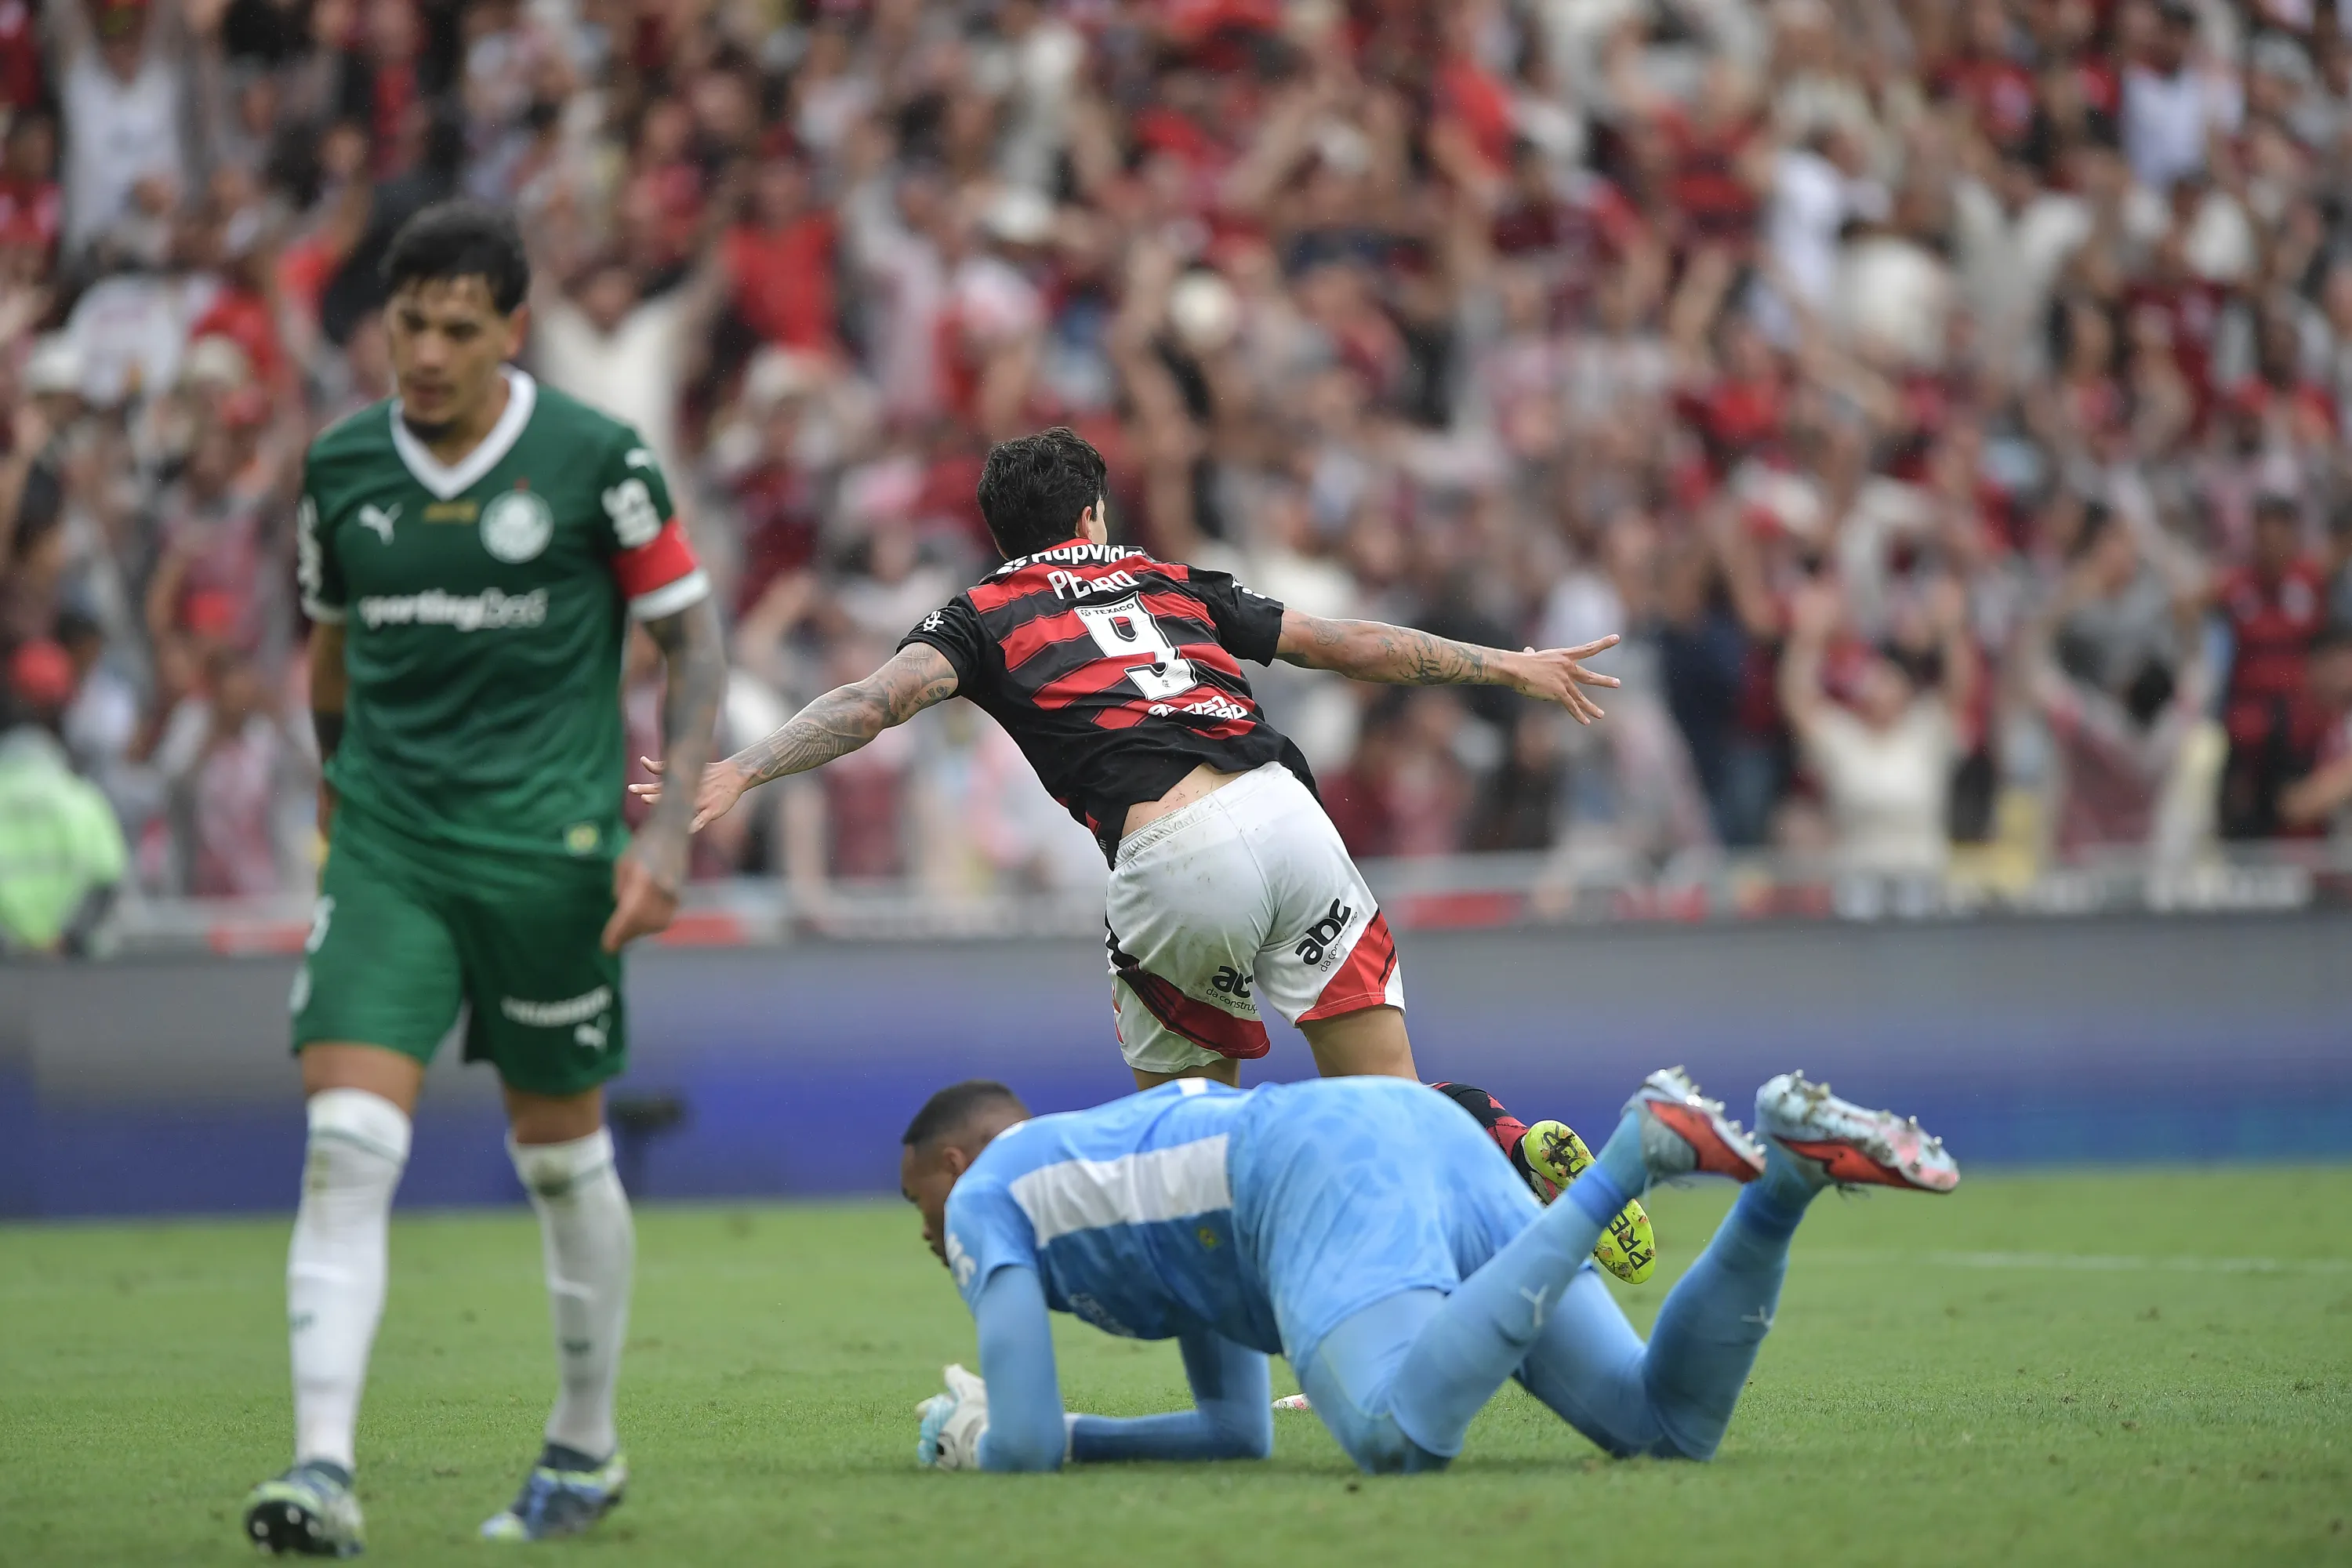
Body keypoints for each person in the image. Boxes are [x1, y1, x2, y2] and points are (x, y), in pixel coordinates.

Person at [635, 424, 1652, 1281]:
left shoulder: (979, 615)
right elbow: (1348, 643)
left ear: (1005, 537)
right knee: (1387, 1112)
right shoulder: (1168, 581)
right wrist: (1509, 666)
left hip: (1176, 857)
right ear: (1091, 519)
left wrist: (742, 771)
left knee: (1197, 1153)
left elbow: (871, 704)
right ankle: (1495, 1139)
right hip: (1292, 819)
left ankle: (1263, 1374)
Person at [241, 201, 725, 1556]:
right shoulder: (340, 470)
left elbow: (694, 646)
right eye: (410, 324)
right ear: (385, 324)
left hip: (552, 857)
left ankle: (583, 1445)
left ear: (513, 331)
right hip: (391, 850)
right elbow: (328, 667)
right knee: (345, 1147)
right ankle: (321, 1473)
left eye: (460, 327)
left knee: (563, 1162)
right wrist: (347, 811)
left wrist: (667, 834)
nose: (431, 352)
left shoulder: (594, 462)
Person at [895, 1068, 1956, 1475]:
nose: (928, 1236)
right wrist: (1077, 1436)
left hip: (1307, 1169)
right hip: (1403, 1125)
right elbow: (1236, 1434)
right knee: (1664, 1427)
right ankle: (1785, 1184)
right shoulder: (1103, 1186)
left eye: (918, 1206)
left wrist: (986, 1437)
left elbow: (1024, 1446)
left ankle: (1635, 1151)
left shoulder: (989, 1196)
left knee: (1397, 1433)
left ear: (955, 1165)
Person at [0, 638, 127, 957]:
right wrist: (63, 941)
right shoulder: (81, 798)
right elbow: (107, 878)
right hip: (71, 978)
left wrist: (13, 944)